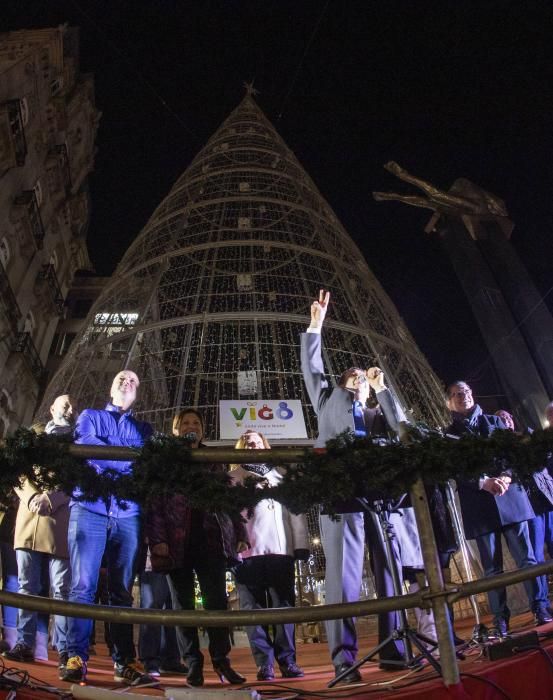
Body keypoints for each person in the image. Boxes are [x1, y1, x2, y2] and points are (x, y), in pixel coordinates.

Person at [301, 290, 422, 680]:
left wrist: (382, 388)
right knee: (342, 578)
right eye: (350, 376)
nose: (357, 378)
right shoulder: (327, 399)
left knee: (390, 572)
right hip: (341, 496)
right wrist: (315, 327)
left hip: (383, 496)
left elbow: (404, 427)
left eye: (361, 377)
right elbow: (313, 369)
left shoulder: (377, 411)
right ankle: (343, 659)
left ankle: (395, 649)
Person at [60, 370, 154, 686]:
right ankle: (75, 656)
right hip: (89, 509)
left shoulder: (145, 428)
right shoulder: (90, 416)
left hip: (128, 515)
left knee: (122, 592)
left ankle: (124, 661)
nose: (126, 381)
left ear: (138, 392)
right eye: (120, 377)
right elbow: (88, 447)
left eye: (133, 380)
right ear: (111, 386)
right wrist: (127, 459)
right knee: (82, 585)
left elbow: (144, 463)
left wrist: (106, 454)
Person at [146, 409, 247, 687]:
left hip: (211, 540)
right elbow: (155, 503)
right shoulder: (165, 461)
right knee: (183, 606)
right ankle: (192, 663)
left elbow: (227, 499)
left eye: (197, 423)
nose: (192, 426)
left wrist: (239, 532)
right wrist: (158, 541)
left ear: (203, 430)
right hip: (177, 543)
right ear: (176, 430)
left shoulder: (214, 460)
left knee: (217, 604)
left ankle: (221, 661)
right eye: (186, 423)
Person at [446, 381, 552, 634]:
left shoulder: (496, 424)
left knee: (527, 558)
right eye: (457, 394)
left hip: (511, 498)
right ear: (449, 401)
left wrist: (505, 476)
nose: (464, 397)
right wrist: (483, 482)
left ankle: (540, 607)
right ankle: (500, 619)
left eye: (468, 392)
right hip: (480, 506)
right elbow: (454, 468)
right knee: (492, 569)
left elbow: (514, 456)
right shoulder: (449, 435)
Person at [2, 397, 74, 678]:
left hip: (60, 519)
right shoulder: (32, 437)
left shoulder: (79, 441)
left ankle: (66, 649)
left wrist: (52, 497)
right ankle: (25, 641)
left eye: (72, 406)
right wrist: (32, 496)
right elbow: (18, 471)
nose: (68, 408)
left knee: (62, 590)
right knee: (26, 586)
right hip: (30, 518)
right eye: (63, 404)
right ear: (52, 410)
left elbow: (81, 478)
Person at [230, 430, 309, 681]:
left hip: (280, 548)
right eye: (247, 441)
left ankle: (288, 660)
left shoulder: (282, 475)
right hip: (247, 552)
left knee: (284, 607)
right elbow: (228, 518)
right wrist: (230, 548)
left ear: (265, 444)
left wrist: (301, 544)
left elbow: (296, 511)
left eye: (256, 440)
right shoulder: (232, 478)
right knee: (252, 610)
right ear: (239, 448)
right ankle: (264, 663)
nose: (252, 444)